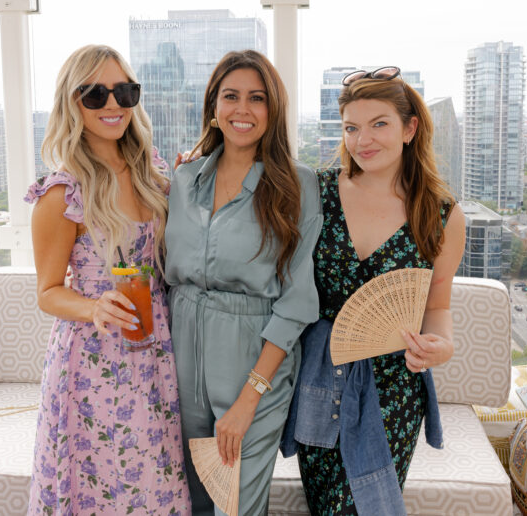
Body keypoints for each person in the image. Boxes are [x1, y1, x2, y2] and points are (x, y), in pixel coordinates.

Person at [281, 66, 466, 516]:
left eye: (379, 124)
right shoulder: (316, 192)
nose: (363, 139)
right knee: (328, 506)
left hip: (395, 387)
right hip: (320, 377)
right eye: (351, 127)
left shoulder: (442, 215)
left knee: (366, 507)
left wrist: (441, 344)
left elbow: (436, 306)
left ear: (409, 127)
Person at [25, 44, 190, 515]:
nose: (113, 104)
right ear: (72, 104)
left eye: (124, 91)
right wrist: (94, 306)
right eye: (95, 94)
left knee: (153, 481)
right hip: (93, 359)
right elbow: (48, 292)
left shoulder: (155, 175)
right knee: (97, 487)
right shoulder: (62, 193)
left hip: (155, 352)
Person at [165, 50, 322, 516]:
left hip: (252, 360)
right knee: (190, 501)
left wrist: (249, 397)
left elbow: (296, 301)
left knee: (236, 507)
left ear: (272, 110)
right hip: (180, 352)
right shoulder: (184, 177)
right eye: (230, 96)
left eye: (257, 98)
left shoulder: (298, 184)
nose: (242, 109)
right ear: (214, 105)